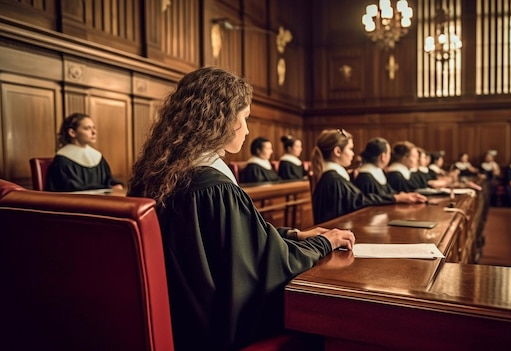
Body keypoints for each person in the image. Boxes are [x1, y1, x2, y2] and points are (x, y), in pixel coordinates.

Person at [127, 67, 355, 351]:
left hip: (176, 318)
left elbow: (236, 238)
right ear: (219, 119)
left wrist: (296, 235)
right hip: (214, 329)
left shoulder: (161, 173)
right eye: (244, 118)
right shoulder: (213, 187)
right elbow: (267, 262)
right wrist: (324, 242)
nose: (247, 130)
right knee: (324, 318)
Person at [310, 129, 419, 225]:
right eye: (350, 149)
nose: (353, 154)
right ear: (337, 152)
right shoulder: (334, 180)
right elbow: (359, 202)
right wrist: (395, 198)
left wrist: (397, 197)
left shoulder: (333, 177)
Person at [45, 113, 124, 192]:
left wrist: (116, 185)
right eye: (87, 128)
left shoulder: (97, 157)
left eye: (94, 128)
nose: (94, 132)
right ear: (72, 132)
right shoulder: (62, 161)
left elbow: (108, 180)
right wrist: (107, 188)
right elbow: (70, 188)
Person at [352, 137, 426, 202]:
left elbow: (389, 193)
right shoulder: (366, 178)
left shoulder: (375, 173)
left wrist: (405, 196)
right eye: (389, 153)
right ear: (383, 157)